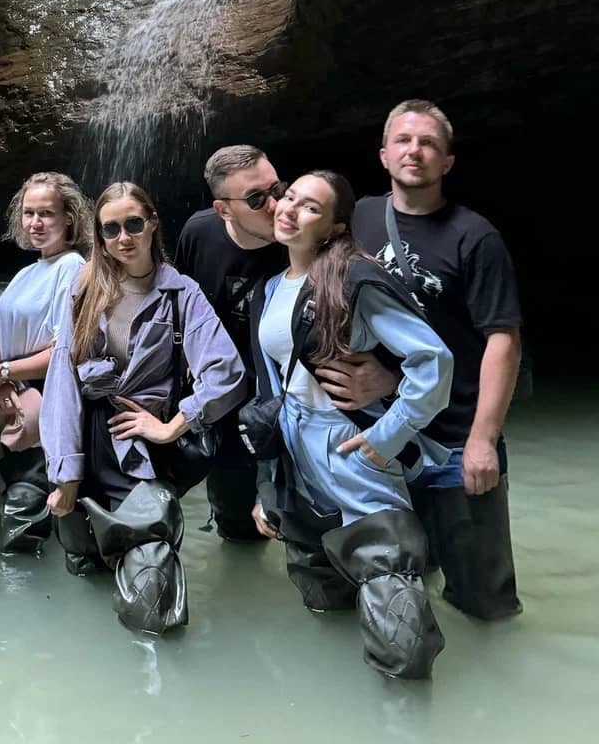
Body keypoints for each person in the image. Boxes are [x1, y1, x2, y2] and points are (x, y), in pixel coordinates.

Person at [249, 170, 453, 678]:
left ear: (336, 227)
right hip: (295, 449)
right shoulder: (269, 290)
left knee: (390, 588)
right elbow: (271, 390)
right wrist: (266, 485)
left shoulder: (353, 280)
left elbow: (433, 361)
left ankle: (407, 700)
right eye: (289, 197)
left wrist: (387, 437)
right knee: (320, 589)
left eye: (311, 207)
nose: (291, 209)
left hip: (348, 442)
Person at [41, 181, 245, 634]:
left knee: (152, 586)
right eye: (111, 229)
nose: (123, 238)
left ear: (153, 222)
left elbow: (226, 371)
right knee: (87, 572)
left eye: (133, 224)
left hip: (140, 447)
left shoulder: (182, 294)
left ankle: (159, 673)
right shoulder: (84, 289)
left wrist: (174, 425)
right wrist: (66, 473)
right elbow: (62, 383)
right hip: (85, 441)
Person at [351, 99, 523, 620]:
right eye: (403, 140)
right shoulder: (359, 217)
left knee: (485, 603)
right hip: (383, 440)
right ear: (384, 155)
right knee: (401, 584)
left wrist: (483, 440)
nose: (415, 151)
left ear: (446, 161)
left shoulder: (474, 236)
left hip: (454, 441)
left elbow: (503, 340)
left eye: (428, 143)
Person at [175, 145, 399, 541]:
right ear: (223, 210)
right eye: (256, 199)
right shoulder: (199, 233)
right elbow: (181, 313)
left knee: (337, 528)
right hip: (230, 407)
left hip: (309, 410)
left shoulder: (308, 237)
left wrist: (390, 378)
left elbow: (382, 321)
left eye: (278, 189)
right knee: (238, 524)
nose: (277, 205)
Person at [0, 172, 91, 553]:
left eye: (46, 213)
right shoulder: (27, 271)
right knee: (21, 505)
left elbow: (65, 352)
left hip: (45, 401)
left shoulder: (72, 267)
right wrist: (2, 383)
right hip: (12, 397)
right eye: (29, 213)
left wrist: (4, 374)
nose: (35, 223)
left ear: (69, 218)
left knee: (23, 517)